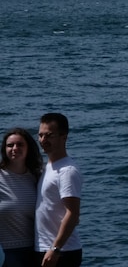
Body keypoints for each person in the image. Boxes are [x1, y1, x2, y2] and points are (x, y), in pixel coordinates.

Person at [35, 113, 82, 267]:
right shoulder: (47, 167)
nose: (43, 140)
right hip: (44, 248)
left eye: (49, 136)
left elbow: (73, 213)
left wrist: (55, 249)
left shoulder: (67, 170)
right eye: (40, 135)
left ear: (64, 137)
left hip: (62, 252)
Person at [0, 128, 43, 267]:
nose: (15, 148)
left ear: (28, 148)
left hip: (36, 250)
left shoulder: (37, 177)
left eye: (20, 144)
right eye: (10, 145)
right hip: (6, 252)